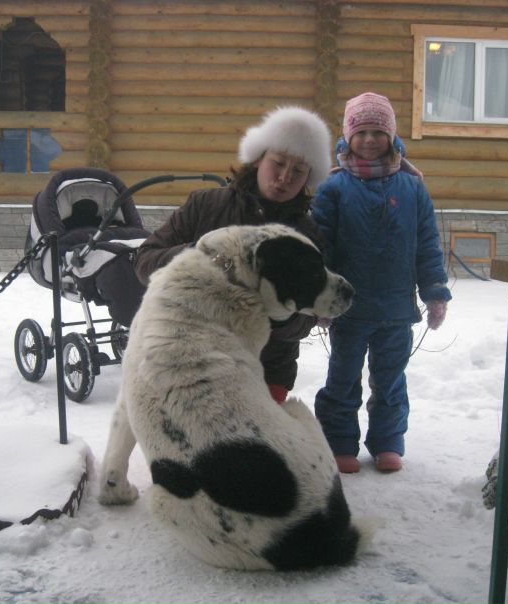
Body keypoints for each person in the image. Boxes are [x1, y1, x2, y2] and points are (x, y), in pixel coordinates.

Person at [134, 106, 333, 403]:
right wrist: (193, 257)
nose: (284, 178)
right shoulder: (205, 206)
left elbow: (307, 318)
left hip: (266, 370)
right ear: (257, 158)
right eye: (278, 163)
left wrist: (277, 314)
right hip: (190, 358)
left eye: (298, 171)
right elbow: (145, 261)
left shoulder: (307, 235)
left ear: (309, 178)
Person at [311, 92, 451, 474]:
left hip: (395, 309)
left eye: (378, 132)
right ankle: (339, 443)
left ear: (391, 136)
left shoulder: (412, 187)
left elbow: (427, 244)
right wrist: (321, 300)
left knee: (390, 381)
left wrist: (435, 292)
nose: (370, 140)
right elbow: (321, 248)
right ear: (347, 137)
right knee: (342, 379)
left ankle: (388, 442)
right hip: (349, 310)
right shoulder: (333, 187)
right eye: (362, 132)